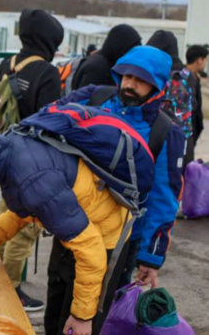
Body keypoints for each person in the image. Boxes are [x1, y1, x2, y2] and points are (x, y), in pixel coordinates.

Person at [0, 112, 137, 335]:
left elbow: (92, 252)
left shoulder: (31, 177)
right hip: (74, 228)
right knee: (54, 320)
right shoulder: (10, 149)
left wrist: (83, 316)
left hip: (103, 238)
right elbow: (31, 205)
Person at [55, 46, 185, 292]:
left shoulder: (166, 132)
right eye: (127, 76)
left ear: (157, 86)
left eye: (141, 80)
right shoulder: (93, 98)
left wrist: (150, 257)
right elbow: (47, 118)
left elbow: (164, 198)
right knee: (58, 299)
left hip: (120, 241)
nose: (130, 84)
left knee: (101, 310)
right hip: (69, 224)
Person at [0, 9, 64, 311]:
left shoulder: (7, 64)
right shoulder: (46, 72)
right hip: (34, 160)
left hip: (5, 152)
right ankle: (11, 290)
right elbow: (51, 122)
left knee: (3, 219)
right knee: (25, 227)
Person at [147, 31, 196, 166]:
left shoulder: (153, 73)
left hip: (155, 137)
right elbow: (195, 110)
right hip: (183, 139)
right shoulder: (188, 76)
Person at [71, 24, 141, 89]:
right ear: (119, 47)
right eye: (129, 51)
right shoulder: (98, 67)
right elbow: (87, 96)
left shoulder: (104, 62)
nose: (130, 56)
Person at [186, 45, 208, 151]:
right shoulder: (186, 78)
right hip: (187, 130)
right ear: (199, 60)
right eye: (205, 60)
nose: (205, 64)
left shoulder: (193, 77)